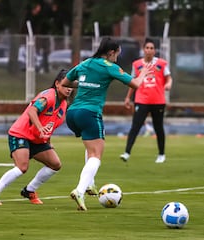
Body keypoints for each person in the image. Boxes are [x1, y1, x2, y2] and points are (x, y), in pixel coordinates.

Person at [61, 37, 152, 211]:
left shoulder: (85, 63)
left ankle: (90, 185)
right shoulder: (110, 67)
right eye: (117, 54)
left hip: (72, 113)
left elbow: (65, 83)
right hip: (89, 113)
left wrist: (86, 84)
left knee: (90, 148)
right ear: (111, 52)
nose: (117, 57)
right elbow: (135, 84)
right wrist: (142, 74)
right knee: (96, 155)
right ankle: (80, 190)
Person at [0, 69, 72, 205]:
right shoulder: (48, 96)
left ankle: (29, 190)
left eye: (71, 86)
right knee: (22, 167)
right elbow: (32, 111)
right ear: (57, 84)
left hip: (37, 139)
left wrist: (47, 140)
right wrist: (40, 128)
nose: (69, 88)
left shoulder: (64, 104)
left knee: (55, 164)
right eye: (66, 85)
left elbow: (50, 123)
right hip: (21, 134)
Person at [119, 38, 173, 163]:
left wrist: (168, 84)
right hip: (141, 100)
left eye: (151, 48)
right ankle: (127, 153)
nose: (149, 50)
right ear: (143, 50)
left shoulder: (161, 64)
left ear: (155, 51)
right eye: (147, 48)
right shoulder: (137, 64)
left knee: (158, 127)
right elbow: (133, 82)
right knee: (135, 127)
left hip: (158, 100)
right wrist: (128, 98)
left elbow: (169, 78)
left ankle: (161, 154)